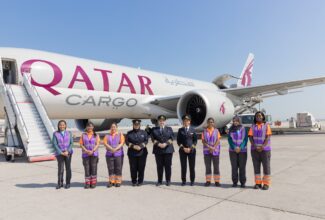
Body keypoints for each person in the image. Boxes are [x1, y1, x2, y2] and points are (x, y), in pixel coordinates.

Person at [248, 111, 272, 190]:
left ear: (263, 117)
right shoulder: (253, 126)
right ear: (255, 117)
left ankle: (266, 184)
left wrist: (262, 146)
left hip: (265, 150)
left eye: (260, 115)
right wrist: (254, 146)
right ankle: (258, 183)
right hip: (254, 150)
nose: (258, 117)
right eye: (257, 116)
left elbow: (268, 137)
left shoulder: (266, 126)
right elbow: (250, 137)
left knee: (266, 167)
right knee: (256, 166)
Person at [151, 115, 175, 186]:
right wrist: (158, 144)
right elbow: (153, 139)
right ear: (158, 121)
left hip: (168, 150)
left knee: (168, 166)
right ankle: (159, 181)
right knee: (159, 166)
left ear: (165, 121)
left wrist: (166, 144)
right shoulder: (154, 129)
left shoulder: (169, 129)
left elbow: (172, 138)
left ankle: (168, 180)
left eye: (163, 121)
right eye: (160, 121)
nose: (161, 122)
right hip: (158, 150)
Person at [125, 119, 149, 186]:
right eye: (135, 124)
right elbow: (127, 142)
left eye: (137, 124)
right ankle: (134, 181)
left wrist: (140, 146)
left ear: (139, 125)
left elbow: (146, 141)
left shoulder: (144, 132)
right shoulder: (129, 133)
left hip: (142, 153)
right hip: (132, 153)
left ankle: (140, 181)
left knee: (141, 167)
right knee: (133, 168)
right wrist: (133, 146)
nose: (136, 126)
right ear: (133, 125)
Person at [52, 120, 74, 189]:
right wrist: (60, 152)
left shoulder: (69, 133)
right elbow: (54, 144)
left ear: (65, 126)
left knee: (68, 168)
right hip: (60, 154)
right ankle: (60, 183)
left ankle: (68, 183)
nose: (62, 126)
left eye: (63, 125)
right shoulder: (55, 133)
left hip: (68, 153)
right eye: (60, 125)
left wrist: (68, 151)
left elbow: (71, 143)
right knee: (60, 169)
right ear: (58, 126)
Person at [177, 115, 198, 186]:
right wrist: (184, 148)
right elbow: (178, 142)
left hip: (191, 151)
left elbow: (195, 141)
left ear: (189, 122)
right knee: (183, 166)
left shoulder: (193, 130)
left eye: (187, 121)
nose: (186, 122)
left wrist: (191, 148)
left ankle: (192, 180)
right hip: (183, 151)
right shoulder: (180, 130)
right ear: (183, 122)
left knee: (192, 166)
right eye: (184, 121)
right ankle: (183, 180)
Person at [228, 116, 248, 188]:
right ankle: (234, 182)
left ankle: (243, 182)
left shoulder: (243, 128)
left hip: (242, 151)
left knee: (242, 167)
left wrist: (240, 147)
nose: (235, 122)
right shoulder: (230, 129)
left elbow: (245, 139)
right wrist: (234, 147)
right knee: (234, 167)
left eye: (236, 121)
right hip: (232, 151)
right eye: (234, 121)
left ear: (239, 121)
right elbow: (229, 139)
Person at [103, 122, 125, 188]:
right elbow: (105, 143)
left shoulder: (120, 135)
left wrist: (115, 149)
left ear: (116, 128)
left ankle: (118, 181)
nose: (113, 128)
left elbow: (122, 143)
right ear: (110, 128)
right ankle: (111, 181)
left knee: (118, 168)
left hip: (118, 154)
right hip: (109, 154)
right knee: (111, 168)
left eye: (114, 127)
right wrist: (111, 149)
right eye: (112, 127)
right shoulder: (107, 136)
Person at [201, 118, 222, 187]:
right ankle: (208, 181)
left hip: (215, 151)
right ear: (207, 123)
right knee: (208, 167)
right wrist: (209, 147)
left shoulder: (216, 131)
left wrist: (213, 147)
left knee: (216, 167)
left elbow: (218, 140)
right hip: (207, 152)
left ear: (214, 123)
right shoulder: (204, 131)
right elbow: (203, 141)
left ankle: (217, 181)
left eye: (212, 122)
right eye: (209, 122)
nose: (211, 123)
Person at [79, 122, 100, 189]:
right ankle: (87, 183)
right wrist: (86, 151)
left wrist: (92, 151)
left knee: (93, 168)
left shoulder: (96, 135)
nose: (89, 128)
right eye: (88, 126)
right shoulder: (83, 135)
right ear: (86, 127)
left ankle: (93, 183)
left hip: (94, 154)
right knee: (87, 169)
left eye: (91, 126)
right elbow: (81, 144)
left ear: (93, 127)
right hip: (85, 154)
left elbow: (97, 144)